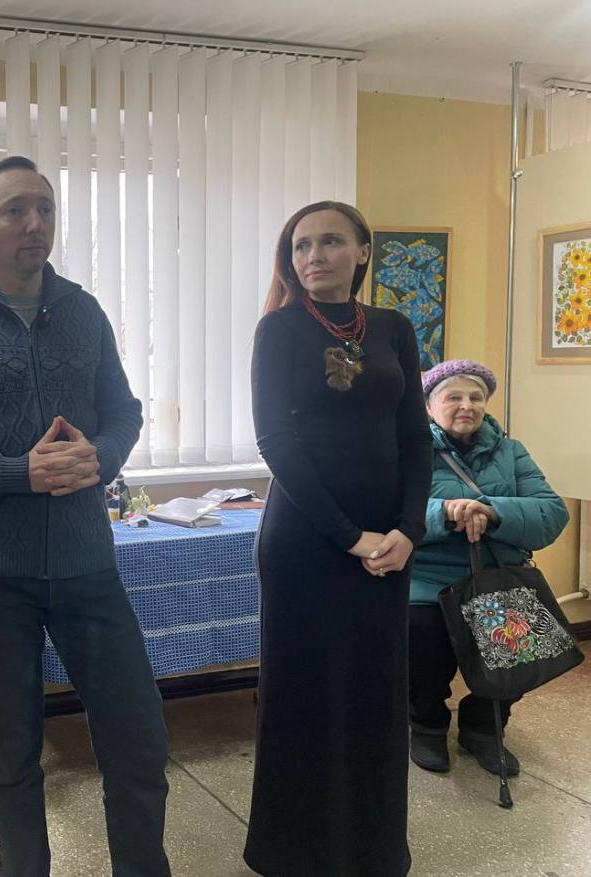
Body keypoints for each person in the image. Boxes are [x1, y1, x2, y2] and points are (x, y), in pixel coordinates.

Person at [0, 155, 170, 877]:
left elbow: (123, 411)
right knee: (11, 753)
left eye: (44, 208)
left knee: (138, 738)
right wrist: (19, 473)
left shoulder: (83, 310)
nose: (34, 222)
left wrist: (102, 456)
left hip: (86, 562)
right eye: (15, 209)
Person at [245, 201, 433, 877]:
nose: (313, 256)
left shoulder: (394, 328)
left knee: (376, 696)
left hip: (388, 544)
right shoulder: (279, 330)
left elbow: (415, 436)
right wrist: (350, 536)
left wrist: (409, 529)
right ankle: (292, 854)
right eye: (301, 245)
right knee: (303, 696)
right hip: (306, 540)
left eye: (329, 241)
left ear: (362, 252)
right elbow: (276, 441)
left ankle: (372, 851)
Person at [408, 359, 569, 775]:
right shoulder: (409, 449)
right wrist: (446, 511)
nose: (467, 405)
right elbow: (386, 512)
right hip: (428, 577)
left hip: (496, 574)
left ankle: (483, 727)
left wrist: (491, 510)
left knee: (519, 649)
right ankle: (426, 725)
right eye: (453, 397)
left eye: (476, 397)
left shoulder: (511, 452)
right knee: (421, 641)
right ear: (429, 406)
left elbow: (552, 512)